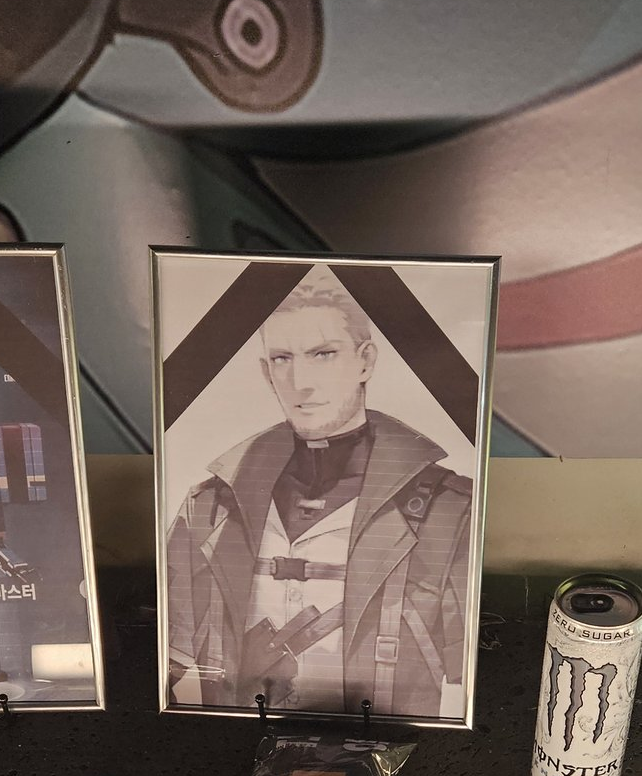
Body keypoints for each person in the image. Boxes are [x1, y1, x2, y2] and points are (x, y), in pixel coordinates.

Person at [163, 274, 473, 718]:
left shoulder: (450, 512)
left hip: (379, 744)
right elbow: (162, 669)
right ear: (266, 371)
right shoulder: (209, 508)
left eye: (323, 354)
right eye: (282, 358)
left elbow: (474, 687)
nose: (301, 381)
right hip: (241, 744)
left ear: (365, 361)